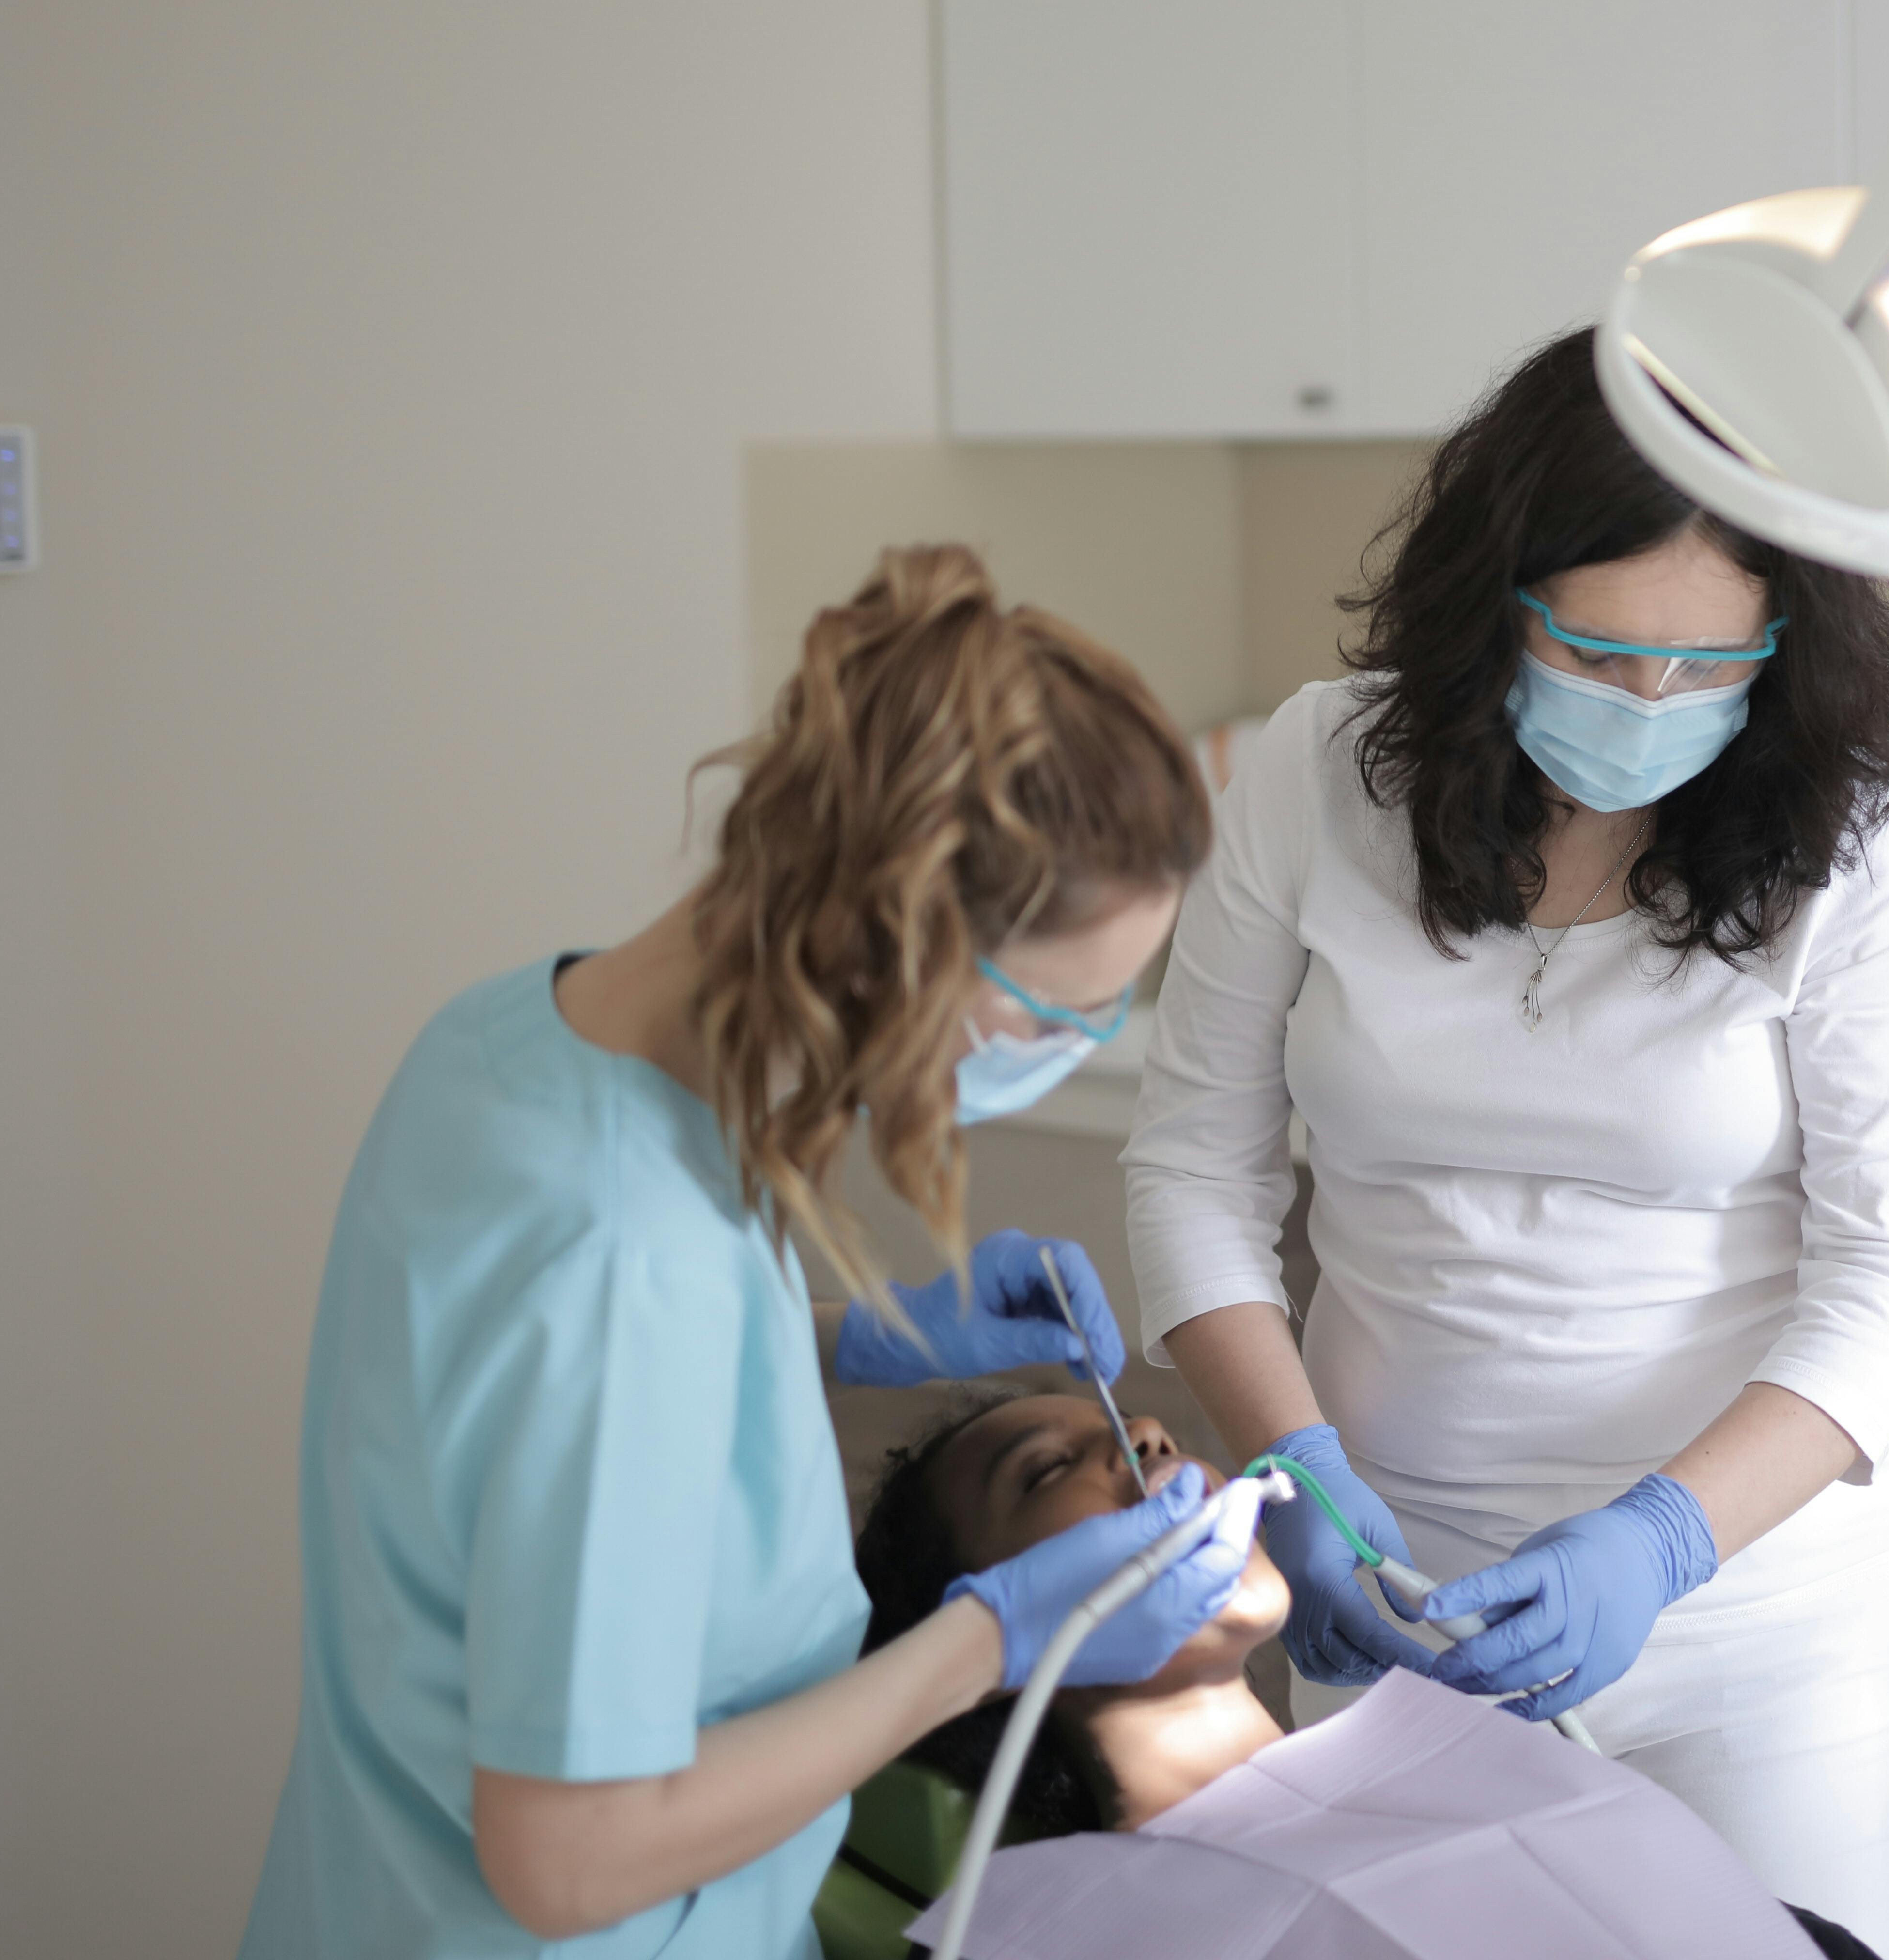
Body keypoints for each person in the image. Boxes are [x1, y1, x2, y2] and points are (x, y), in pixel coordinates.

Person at [243, 546, 1248, 1960]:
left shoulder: (509, 1042)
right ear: (909, 947)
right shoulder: (626, 1262)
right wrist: (987, 1644)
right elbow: (566, 1858)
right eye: (1062, 1021)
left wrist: (847, 1332)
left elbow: (536, 1397)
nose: (1079, 1052)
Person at [1124, 331, 1889, 1957]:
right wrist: (1294, 1471)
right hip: (1392, 1599)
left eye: (1705, 671)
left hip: (1765, 1615)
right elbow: (1192, 1167)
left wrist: (1662, 1545)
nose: (1652, 705)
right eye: (1596, 658)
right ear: (1491, 611)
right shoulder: (1317, 772)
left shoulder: (1849, 834)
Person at [849, 1390, 1881, 1960]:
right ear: (979, 1636)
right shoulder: (1068, 1935)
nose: (1148, 1438)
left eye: (1130, 1426)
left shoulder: (1478, 1779)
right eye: (1042, 1470)